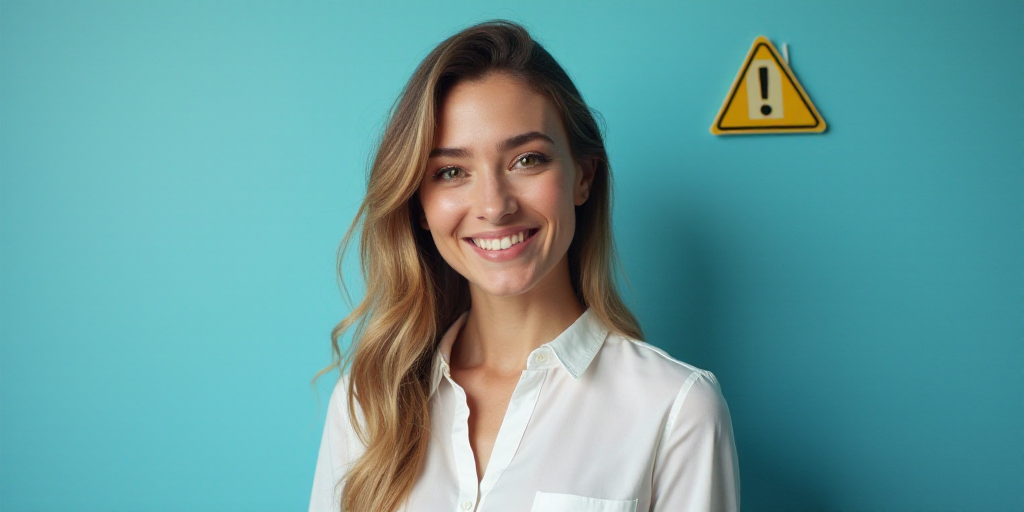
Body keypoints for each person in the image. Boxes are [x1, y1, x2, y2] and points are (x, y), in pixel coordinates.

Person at [309, 20, 739, 512]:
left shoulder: (676, 408)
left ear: (583, 177)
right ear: (419, 205)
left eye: (527, 160)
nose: (494, 206)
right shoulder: (368, 402)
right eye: (451, 172)